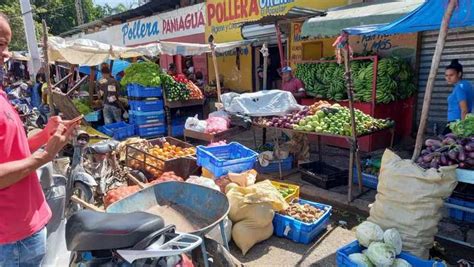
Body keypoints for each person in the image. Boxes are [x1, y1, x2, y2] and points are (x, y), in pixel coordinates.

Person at [0, 13, 81, 266]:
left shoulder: (2, 95)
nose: (7, 54)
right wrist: (45, 155)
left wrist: (45, 135)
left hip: (27, 227)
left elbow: (12, 150)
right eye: (1, 44)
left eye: (7, 45)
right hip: (11, 239)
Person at [444, 59, 474, 134]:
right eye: (446, 75)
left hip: (456, 124)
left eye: (451, 75)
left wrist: (463, 129)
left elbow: (464, 109)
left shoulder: (459, 88)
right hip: (463, 122)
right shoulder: (467, 85)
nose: (448, 78)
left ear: (459, 74)